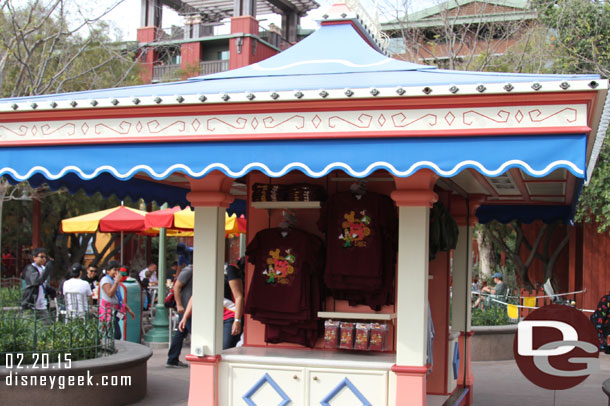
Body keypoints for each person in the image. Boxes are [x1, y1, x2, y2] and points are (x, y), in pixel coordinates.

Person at [99, 260, 135, 339]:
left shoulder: (114, 280)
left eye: (118, 270)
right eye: (115, 270)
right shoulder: (105, 280)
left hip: (116, 309)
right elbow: (110, 294)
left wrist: (128, 309)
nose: (117, 272)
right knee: (116, 334)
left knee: (112, 331)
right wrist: (116, 282)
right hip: (108, 310)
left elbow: (119, 297)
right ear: (108, 271)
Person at [166, 264, 192, 368]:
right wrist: (179, 305)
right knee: (187, 331)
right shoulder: (188, 271)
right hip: (186, 307)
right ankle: (172, 359)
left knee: (181, 331)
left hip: (188, 307)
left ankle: (172, 359)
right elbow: (176, 287)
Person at [21, 247, 55, 322]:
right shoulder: (30, 269)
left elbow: (44, 285)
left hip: (42, 305)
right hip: (31, 305)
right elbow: (36, 282)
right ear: (34, 258)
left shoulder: (43, 268)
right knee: (29, 328)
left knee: (48, 327)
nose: (44, 259)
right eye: (41, 257)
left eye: (45, 257)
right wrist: (47, 269)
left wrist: (53, 292)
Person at [223, 258, 245, 349]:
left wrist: (237, 320)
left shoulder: (229, 269)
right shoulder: (205, 271)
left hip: (231, 315)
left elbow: (239, 297)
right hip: (216, 316)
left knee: (225, 349)